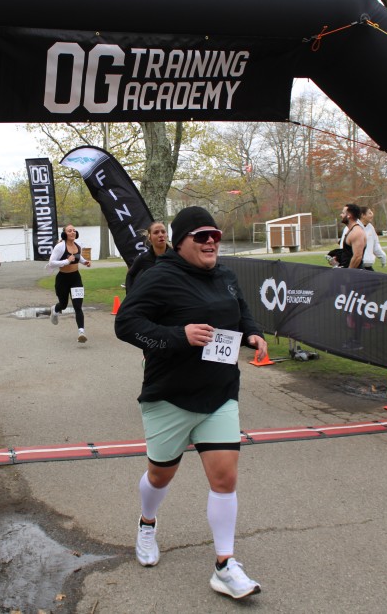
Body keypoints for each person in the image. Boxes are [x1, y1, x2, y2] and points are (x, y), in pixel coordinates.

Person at [114, 206, 267, 600]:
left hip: (219, 392)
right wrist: (178, 336)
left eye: (215, 235)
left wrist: (252, 333)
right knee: (160, 476)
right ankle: (147, 522)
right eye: (202, 236)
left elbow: (241, 310)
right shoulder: (159, 276)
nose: (211, 241)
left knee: (225, 478)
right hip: (171, 396)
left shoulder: (226, 276)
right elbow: (126, 324)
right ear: (181, 242)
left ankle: (225, 565)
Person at [47, 224, 92, 343]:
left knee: (78, 306)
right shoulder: (60, 247)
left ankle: (81, 332)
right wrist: (67, 261)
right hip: (62, 279)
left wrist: (85, 262)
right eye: (69, 231)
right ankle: (55, 309)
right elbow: (51, 263)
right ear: (64, 234)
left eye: (74, 230)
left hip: (76, 278)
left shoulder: (78, 245)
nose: (72, 232)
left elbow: (78, 257)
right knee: (63, 305)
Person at [124, 221, 169, 294]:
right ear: (149, 237)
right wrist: (129, 295)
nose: (161, 235)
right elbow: (130, 275)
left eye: (163, 232)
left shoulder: (175, 256)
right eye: (156, 232)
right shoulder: (143, 258)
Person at [338, 203, 366, 269]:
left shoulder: (357, 233)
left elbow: (357, 257)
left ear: (349, 215)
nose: (340, 215)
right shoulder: (350, 230)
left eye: (343, 213)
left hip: (354, 273)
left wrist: (349, 272)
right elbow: (348, 253)